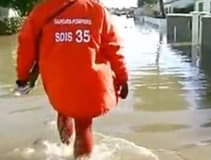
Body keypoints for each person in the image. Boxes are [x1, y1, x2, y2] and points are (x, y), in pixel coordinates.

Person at [15, 0, 129, 158]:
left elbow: (26, 47)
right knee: (84, 126)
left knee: (63, 110)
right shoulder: (97, 10)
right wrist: (122, 77)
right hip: (90, 80)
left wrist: (22, 77)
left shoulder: (41, 11)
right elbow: (114, 47)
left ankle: (65, 149)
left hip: (58, 80)